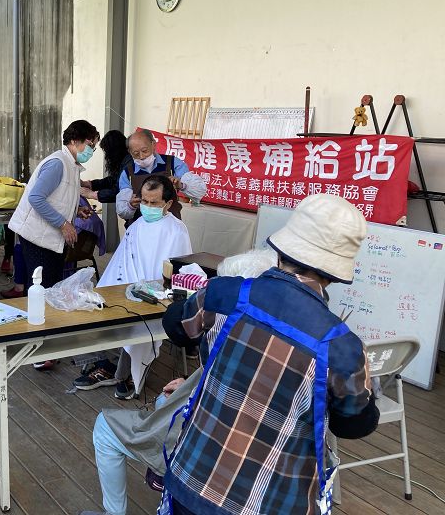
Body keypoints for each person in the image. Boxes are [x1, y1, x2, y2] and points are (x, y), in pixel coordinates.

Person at [160, 194, 380, 515]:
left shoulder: (224, 293)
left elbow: (175, 326)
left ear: (281, 249)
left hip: (192, 478)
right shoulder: (342, 347)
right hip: (272, 501)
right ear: (334, 273)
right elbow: (354, 425)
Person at [78, 250, 277, 515]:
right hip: (260, 456)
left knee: (105, 427)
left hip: (213, 446)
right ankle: (166, 478)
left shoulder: (225, 317)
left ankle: (155, 484)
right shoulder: (287, 341)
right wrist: (191, 384)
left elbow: (175, 323)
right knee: (164, 399)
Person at [74, 176, 192, 400]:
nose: (147, 207)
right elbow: (121, 262)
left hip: (154, 295)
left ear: (168, 204)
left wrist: (146, 289)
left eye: (154, 203)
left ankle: (124, 374)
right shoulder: (136, 225)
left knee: (137, 321)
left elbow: (175, 273)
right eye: (144, 201)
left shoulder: (176, 231)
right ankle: (104, 365)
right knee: (93, 306)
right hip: (123, 285)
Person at [9, 119, 98, 291]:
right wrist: (64, 224)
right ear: (74, 140)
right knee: (42, 287)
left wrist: (76, 210)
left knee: (49, 286)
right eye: (90, 144)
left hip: (48, 237)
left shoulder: (71, 165)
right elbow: (36, 198)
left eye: (93, 147)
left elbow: (58, 198)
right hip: (38, 237)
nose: (91, 150)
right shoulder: (58, 163)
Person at [115, 129, 207, 226]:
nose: (141, 156)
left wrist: (181, 185)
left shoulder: (172, 163)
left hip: (170, 226)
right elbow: (122, 211)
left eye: (144, 151)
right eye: (136, 154)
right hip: (140, 227)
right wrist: (131, 205)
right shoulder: (127, 173)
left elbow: (199, 191)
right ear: (130, 152)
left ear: (153, 145)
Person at [80, 129, 131, 203]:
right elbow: (113, 180)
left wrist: (92, 194)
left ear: (114, 151)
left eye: (107, 152)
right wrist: (89, 184)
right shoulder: (124, 161)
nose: (107, 156)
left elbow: (119, 190)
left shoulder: (129, 164)